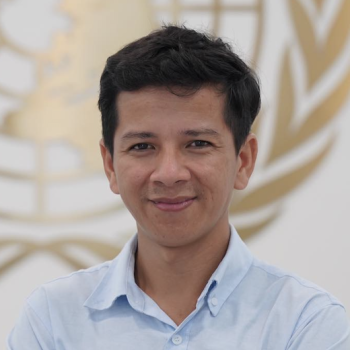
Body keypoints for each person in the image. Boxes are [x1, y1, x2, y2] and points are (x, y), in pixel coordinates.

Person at [8, 25, 350, 349]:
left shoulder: (306, 323)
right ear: (110, 164)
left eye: (197, 144)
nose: (169, 174)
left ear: (243, 161)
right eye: (143, 146)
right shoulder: (53, 320)